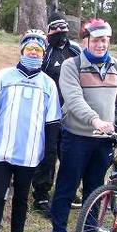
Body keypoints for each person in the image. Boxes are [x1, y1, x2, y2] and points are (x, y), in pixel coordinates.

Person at [0, 29, 61, 232]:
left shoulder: (49, 84)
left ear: (43, 54)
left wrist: (50, 153)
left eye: (38, 50)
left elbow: (52, 122)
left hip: (31, 153)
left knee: (22, 197)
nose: (33, 53)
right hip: (2, 150)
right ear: (22, 51)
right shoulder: (4, 76)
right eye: (29, 49)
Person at [50, 18, 117, 232]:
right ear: (86, 41)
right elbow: (73, 100)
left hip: (105, 139)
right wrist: (95, 120)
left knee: (96, 186)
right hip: (77, 136)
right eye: (96, 40)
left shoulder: (116, 65)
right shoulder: (71, 65)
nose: (101, 45)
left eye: (105, 40)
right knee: (67, 185)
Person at [31, 12, 81, 217]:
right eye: (55, 29)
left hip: (72, 114)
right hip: (48, 114)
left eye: (63, 29)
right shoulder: (45, 52)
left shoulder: (76, 50)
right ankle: (41, 195)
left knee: (69, 157)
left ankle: (66, 193)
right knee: (48, 156)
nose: (60, 33)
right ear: (49, 31)